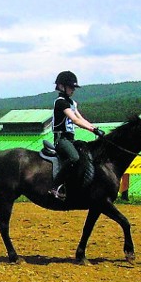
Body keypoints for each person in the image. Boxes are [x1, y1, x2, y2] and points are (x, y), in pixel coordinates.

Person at [48, 71, 105, 200]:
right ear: (62, 86)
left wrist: (95, 128)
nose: (73, 90)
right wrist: (92, 130)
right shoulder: (60, 102)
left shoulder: (72, 103)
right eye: (71, 87)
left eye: (74, 87)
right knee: (73, 158)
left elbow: (81, 118)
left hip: (70, 139)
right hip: (61, 139)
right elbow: (75, 120)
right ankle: (55, 186)